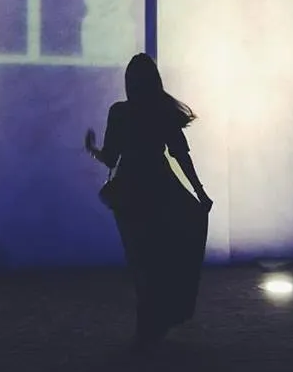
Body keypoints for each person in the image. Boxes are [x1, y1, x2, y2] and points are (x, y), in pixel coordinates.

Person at [84, 53, 213, 354]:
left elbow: (111, 158)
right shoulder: (162, 112)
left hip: (131, 188)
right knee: (160, 256)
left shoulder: (120, 112)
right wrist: (199, 192)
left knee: (142, 259)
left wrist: (91, 149)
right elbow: (180, 155)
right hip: (159, 184)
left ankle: (149, 325)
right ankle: (158, 320)